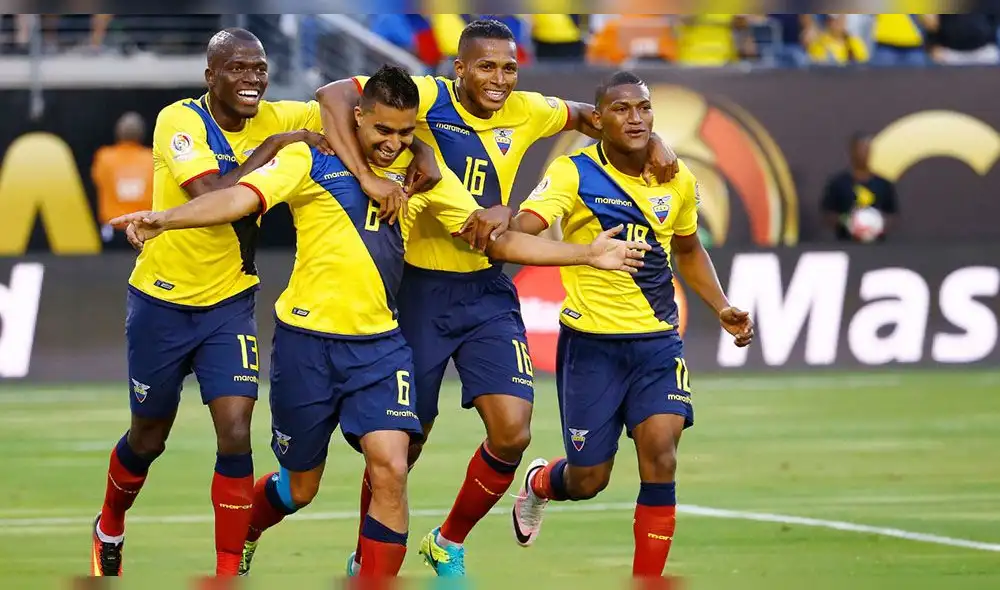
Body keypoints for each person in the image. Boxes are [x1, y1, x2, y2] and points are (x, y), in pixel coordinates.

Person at [113, 65, 651, 579]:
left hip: (378, 347)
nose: (393, 142)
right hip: (306, 344)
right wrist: (163, 218)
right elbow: (236, 198)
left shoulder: (423, 180)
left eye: (405, 132)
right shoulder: (312, 162)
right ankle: (252, 525)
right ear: (358, 120)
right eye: (382, 130)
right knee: (299, 488)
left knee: (392, 467)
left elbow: (498, 240)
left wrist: (586, 254)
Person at [315, 18, 679, 577]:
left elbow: (593, 115)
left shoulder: (530, 108)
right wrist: (367, 176)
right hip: (421, 289)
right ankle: (370, 552)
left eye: (509, 66)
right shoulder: (430, 96)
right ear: (459, 68)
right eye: (486, 66)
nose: (500, 78)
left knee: (512, 432)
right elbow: (336, 94)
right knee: (404, 443)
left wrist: (650, 139)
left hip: (488, 287)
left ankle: (448, 541)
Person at [90, 27, 341, 578]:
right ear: (211, 77)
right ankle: (110, 522)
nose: (253, 79)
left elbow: (353, 104)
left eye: (259, 68)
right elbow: (213, 197)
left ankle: (227, 571)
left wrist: (415, 141)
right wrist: (278, 147)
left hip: (229, 304)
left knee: (235, 429)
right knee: (147, 438)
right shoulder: (179, 121)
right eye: (239, 69)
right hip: (161, 301)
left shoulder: (280, 114)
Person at [509, 71, 755, 579]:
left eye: (644, 108)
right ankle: (539, 484)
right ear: (598, 120)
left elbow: (688, 250)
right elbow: (523, 232)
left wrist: (721, 305)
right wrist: (572, 250)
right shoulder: (572, 173)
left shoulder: (676, 178)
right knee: (589, 479)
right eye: (621, 109)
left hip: (657, 345)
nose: (636, 117)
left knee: (661, 455)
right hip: (592, 347)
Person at [91, 111, 154, 249]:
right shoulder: (152, 158)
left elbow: (97, 180)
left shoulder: (104, 157)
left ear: (118, 133)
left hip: (113, 228)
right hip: (144, 228)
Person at [820, 133, 898, 242]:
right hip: (846, 243)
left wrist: (877, 224)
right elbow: (828, 213)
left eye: (867, 149)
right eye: (860, 149)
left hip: (877, 248)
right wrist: (848, 222)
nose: (863, 153)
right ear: (852, 151)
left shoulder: (883, 184)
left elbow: (892, 214)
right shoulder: (838, 183)